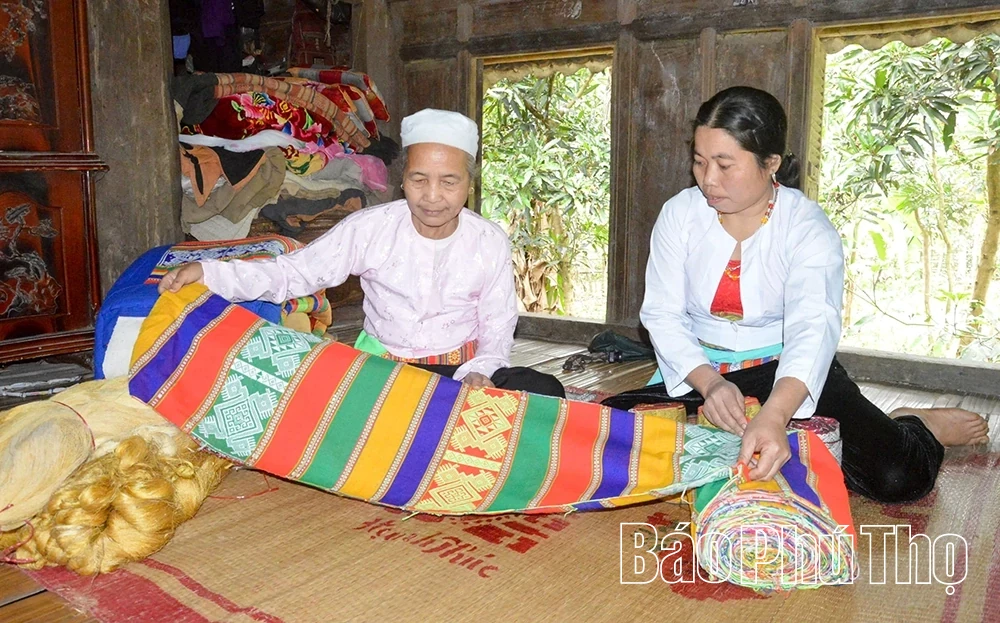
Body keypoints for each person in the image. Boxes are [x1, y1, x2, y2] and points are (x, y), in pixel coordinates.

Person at [634, 85, 987, 502]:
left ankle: (915, 425)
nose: (708, 179)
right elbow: (662, 314)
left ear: (771, 163)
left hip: (782, 368)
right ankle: (794, 438)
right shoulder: (680, 214)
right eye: (699, 161)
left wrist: (775, 413)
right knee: (604, 438)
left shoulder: (806, 228)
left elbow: (812, 329)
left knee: (897, 476)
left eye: (725, 165)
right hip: (697, 368)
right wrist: (710, 385)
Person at [159, 108, 565, 398]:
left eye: (449, 182)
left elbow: (497, 326)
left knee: (544, 389)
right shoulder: (370, 228)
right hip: (382, 371)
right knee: (299, 386)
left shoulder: (488, 241)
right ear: (402, 180)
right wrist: (209, 273)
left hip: (460, 374)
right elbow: (294, 273)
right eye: (419, 179)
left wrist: (480, 372)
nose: (432, 196)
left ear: (468, 185)